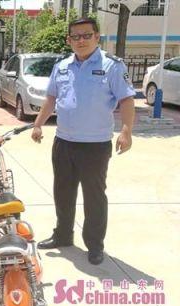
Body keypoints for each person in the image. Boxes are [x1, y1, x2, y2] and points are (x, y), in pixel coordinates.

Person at [31, 18, 135, 265]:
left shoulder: (112, 67)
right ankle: (63, 235)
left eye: (86, 35)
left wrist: (127, 131)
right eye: (75, 37)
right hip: (64, 141)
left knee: (94, 196)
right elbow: (51, 98)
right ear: (69, 40)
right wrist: (37, 124)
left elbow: (127, 100)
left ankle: (95, 245)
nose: (81, 41)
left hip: (95, 145)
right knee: (63, 192)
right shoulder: (62, 66)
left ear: (97, 37)